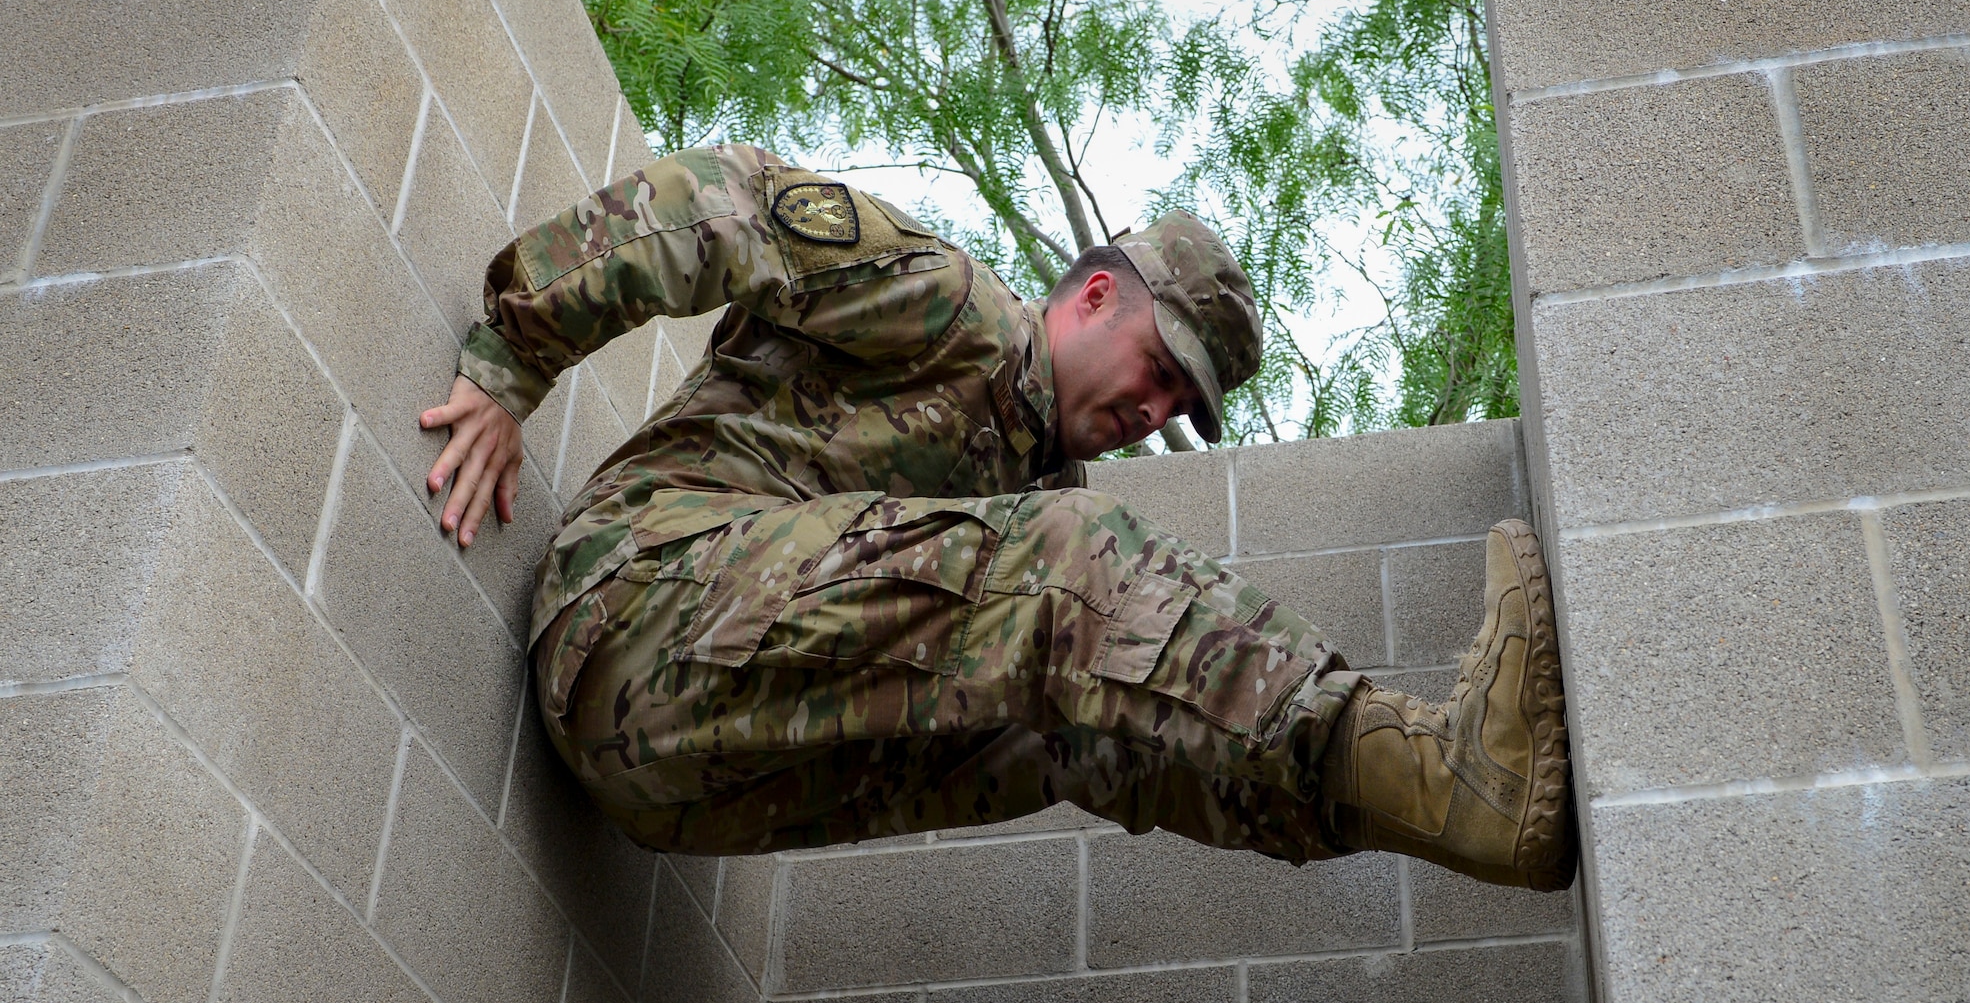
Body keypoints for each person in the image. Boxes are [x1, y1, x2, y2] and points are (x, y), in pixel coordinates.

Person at [421, 143, 1574, 889]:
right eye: (1157, 365)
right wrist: (514, 355)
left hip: (697, 791)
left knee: (1094, 725)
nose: (1152, 406)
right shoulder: (952, 306)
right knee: (1075, 571)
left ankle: (1433, 798)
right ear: (1092, 293)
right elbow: (719, 204)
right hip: (631, 608)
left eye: (1179, 403)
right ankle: (1419, 759)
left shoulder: (1033, 523)